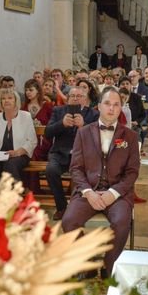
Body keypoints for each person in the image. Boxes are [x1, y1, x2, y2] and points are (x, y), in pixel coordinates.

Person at [62, 87, 140, 276]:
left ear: (121, 108)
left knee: (122, 222)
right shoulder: (84, 133)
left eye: (116, 105)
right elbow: (76, 168)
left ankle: (108, 264)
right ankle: (87, 263)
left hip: (117, 194)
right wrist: (88, 192)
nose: (111, 109)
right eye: (107, 104)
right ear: (98, 106)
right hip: (88, 191)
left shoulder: (130, 136)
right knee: (68, 221)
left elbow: (132, 172)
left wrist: (113, 193)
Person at [45, 86, 99, 220]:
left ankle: (77, 208)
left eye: (79, 96)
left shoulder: (93, 114)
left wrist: (83, 126)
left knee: (84, 175)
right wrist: (62, 124)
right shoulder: (58, 111)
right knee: (51, 170)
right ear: (67, 99)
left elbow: (97, 137)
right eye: (72, 96)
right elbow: (47, 133)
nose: (75, 99)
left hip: (82, 156)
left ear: (85, 100)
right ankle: (62, 207)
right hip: (60, 153)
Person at [0, 89, 37, 185]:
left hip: (20, 155)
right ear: (0, 102)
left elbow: (32, 141)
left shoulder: (26, 116)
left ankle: (16, 195)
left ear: (16, 101)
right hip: (0, 155)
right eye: (3, 99)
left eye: (10, 98)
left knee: (10, 164)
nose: (6, 100)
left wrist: (17, 152)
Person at [22, 79, 54, 161]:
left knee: (34, 153)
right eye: (26, 90)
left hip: (43, 141)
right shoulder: (23, 108)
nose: (28, 92)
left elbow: (53, 125)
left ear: (38, 91)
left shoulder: (47, 106)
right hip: (27, 141)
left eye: (31, 90)